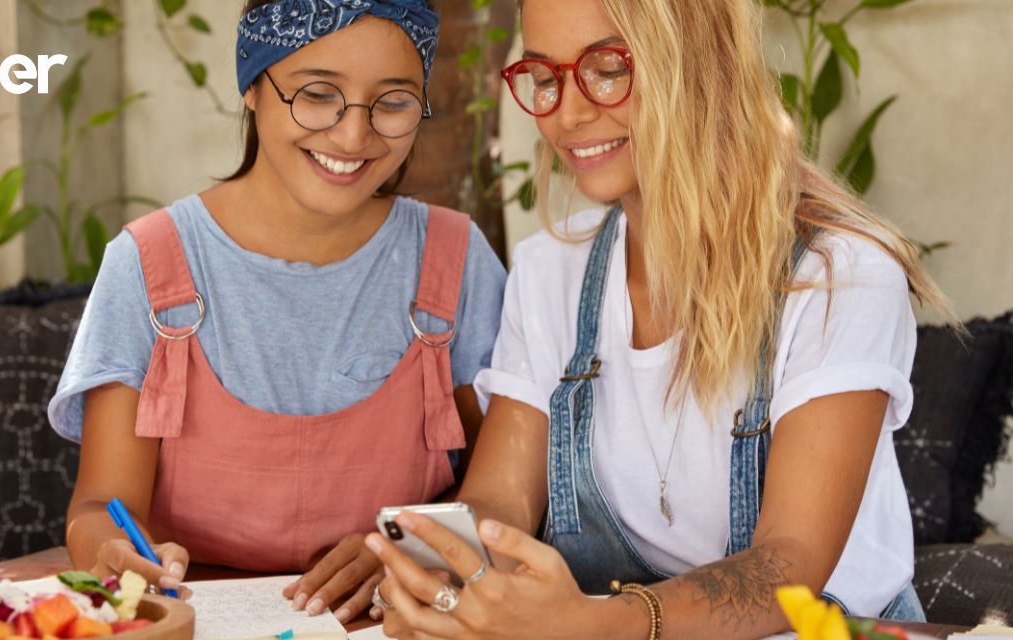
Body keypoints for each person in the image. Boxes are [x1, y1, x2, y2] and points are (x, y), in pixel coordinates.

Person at [364, 0, 958, 637]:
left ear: (704, 64)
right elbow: (500, 503)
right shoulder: (550, 272)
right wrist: (439, 568)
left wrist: (597, 624)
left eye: (608, 68)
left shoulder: (838, 273)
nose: (566, 114)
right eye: (544, 76)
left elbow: (790, 567)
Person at [47, 0, 506, 624]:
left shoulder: (456, 262)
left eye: (393, 102)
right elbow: (100, 503)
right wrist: (108, 549)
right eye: (318, 94)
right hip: (192, 621)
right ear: (253, 88)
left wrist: (412, 542)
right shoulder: (149, 264)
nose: (353, 135)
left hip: (394, 621)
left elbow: (506, 489)